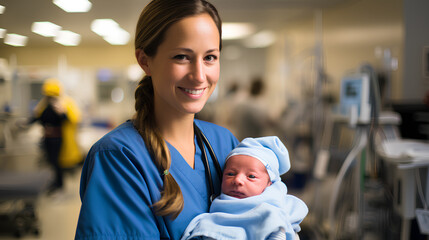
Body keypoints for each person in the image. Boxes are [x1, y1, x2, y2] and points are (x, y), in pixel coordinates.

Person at [75, 0, 239, 239]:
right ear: (145, 61)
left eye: (210, 57)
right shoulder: (119, 157)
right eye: (182, 57)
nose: (199, 75)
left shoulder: (224, 143)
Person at [181, 136, 308, 240]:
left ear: (269, 183)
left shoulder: (271, 215)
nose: (237, 180)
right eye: (230, 174)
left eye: (251, 176)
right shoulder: (213, 215)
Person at [29, 78, 81, 193]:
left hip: (58, 138)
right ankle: (56, 182)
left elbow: (71, 120)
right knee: (52, 162)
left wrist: (62, 112)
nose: (50, 98)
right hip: (47, 138)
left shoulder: (64, 104)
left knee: (58, 162)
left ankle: (60, 185)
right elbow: (38, 117)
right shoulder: (43, 105)